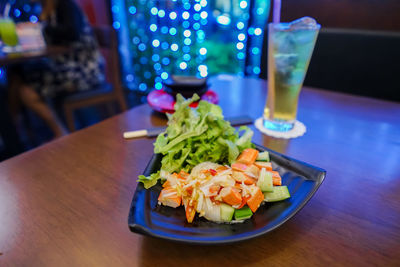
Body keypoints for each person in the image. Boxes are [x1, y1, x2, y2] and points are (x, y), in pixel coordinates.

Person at [16, 0, 104, 138]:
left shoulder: (65, 4)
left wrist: (41, 27)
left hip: (83, 69)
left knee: (25, 85)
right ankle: (29, 135)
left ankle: (59, 131)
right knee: (20, 76)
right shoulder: (46, 9)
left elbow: (72, 32)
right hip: (64, 64)